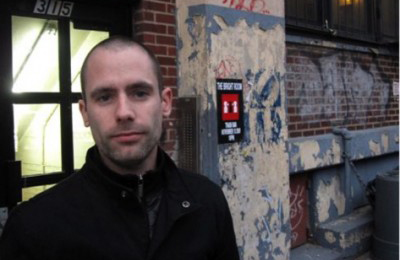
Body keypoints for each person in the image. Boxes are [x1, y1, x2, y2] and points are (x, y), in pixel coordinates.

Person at [0, 36, 240, 260]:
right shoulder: (33, 227)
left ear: (164, 102)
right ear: (85, 112)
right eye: (105, 97)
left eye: (139, 93)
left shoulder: (208, 203)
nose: (124, 112)